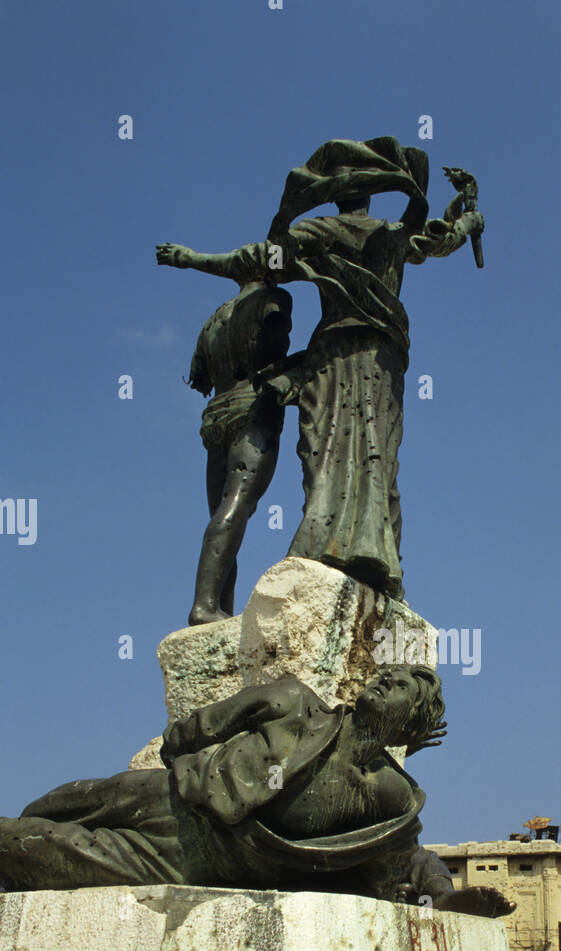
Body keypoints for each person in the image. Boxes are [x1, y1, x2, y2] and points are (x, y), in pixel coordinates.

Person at [157, 137, 484, 599]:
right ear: (372, 193)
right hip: (377, 356)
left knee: (327, 451)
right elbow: (441, 239)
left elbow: (256, 260)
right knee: (375, 454)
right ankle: (367, 557)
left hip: (332, 354)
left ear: (335, 194)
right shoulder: (393, 235)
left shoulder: (320, 233)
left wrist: (194, 260)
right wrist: (469, 216)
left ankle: (343, 549)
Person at [0, 666, 512, 917]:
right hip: (174, 799)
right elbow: (193, 731)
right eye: (386, 673)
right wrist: (195, 777)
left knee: (44, 848)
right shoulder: (292, 702)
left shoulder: (392, 798)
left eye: (400, 685)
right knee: (64, 801)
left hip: (200, 859)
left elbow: (403, 864)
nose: (383, 680)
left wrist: (443, 899)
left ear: (412, 721)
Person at [184, 278, 295, 625]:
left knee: (220, 512)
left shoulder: (214, 319)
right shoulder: (274, 299)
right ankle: (203, 606)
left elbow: (199, 378)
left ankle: (218, 608)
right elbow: (273, 349)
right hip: (252, 409)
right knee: (237, 507)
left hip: (215, 415)